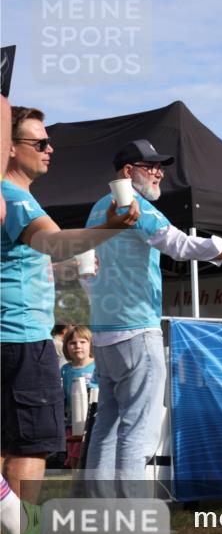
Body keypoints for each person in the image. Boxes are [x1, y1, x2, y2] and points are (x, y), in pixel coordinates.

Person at [82, 139, 222, 491]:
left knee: (106, 430)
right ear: (129, 172)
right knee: (136, 434)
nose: (160, 172)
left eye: (161, 166)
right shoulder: (131, 204)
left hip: (106, 334)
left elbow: (85, 271)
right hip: (135, 332)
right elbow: (179, 244)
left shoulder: (98, 208)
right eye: (151, 166)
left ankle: (97, 513)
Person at [2, 106, 140, 504]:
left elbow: (27, 258)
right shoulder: (16, 199)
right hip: (23, 340)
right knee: (28, 449)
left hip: (10, 337)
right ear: (9, 148)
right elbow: (53, 241)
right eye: (40, 142)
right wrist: (107, 229)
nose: (50, 149)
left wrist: (66, 260)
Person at [60, 325, 98, 467]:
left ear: (91, 344)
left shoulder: (97, 365)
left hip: (94, 418)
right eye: (73, 343)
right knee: (74, 454)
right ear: (66, 347)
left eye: (83, 342)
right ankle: (77, 484)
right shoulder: (65, 369)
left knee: (89, 454)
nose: (78, 346)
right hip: (72, 420)